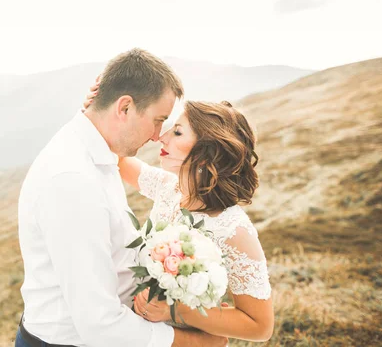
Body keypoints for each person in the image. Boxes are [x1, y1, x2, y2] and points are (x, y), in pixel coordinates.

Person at [17, 48, 229, 347]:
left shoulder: (96, 150)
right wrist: (195, 343)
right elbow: (99, 324)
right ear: (125, 108)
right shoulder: (73, 182)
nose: (158, 135)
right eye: (158, 120)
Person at [83, 89, 274, 342]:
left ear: (208, 155)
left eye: (177, 132)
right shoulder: (169, 188)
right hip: (138, 333)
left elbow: (260, 327)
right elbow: (116, 157)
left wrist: (179, 311)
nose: (162, 137)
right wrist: (94, 111)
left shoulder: (233, 229)